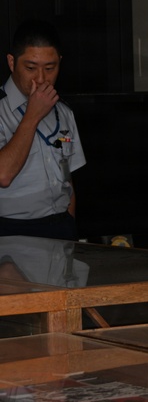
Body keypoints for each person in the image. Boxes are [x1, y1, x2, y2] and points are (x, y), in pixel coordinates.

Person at [0, 20, 85, 240]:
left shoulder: (63, 112)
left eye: (50, 68)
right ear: (11, 62)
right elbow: (3, 174)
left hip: (59, 226)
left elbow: (68, 179)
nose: (41, 78)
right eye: (30, 68)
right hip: (11, 230)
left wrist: (68, 223)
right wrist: (32, 115)